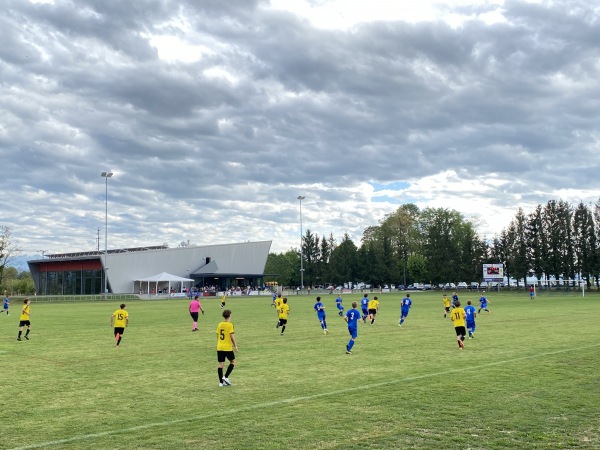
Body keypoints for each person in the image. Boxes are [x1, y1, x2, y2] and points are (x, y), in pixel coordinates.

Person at [216, 309, 238, 387]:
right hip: (227, 347)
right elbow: (232, 336)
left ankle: (221, 383)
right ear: (229, 315)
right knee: (233, 362)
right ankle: (225, 377)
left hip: (219, 347)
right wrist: (235, 345)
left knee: (220, 364)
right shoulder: (230, 325)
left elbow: (218, 335)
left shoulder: (220, 324)